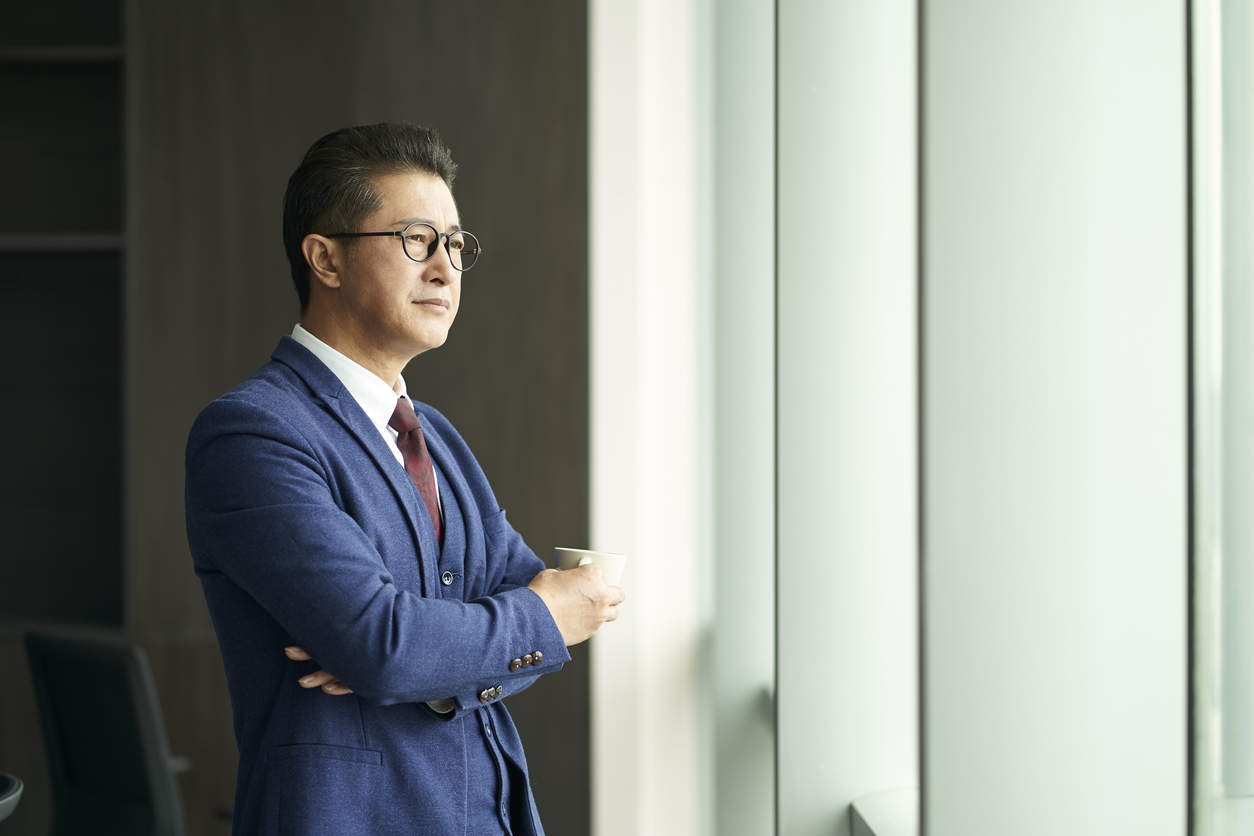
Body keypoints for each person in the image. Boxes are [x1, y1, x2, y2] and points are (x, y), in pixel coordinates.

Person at [185, 122, 623, 836]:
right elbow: (386, 645)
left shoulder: (435, 436)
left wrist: (431, 668)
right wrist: (536, 618)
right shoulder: (251, 433)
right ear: (325, 259)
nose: (445, 268)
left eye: (454, 244)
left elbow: (417, 644)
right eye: (416, 241)